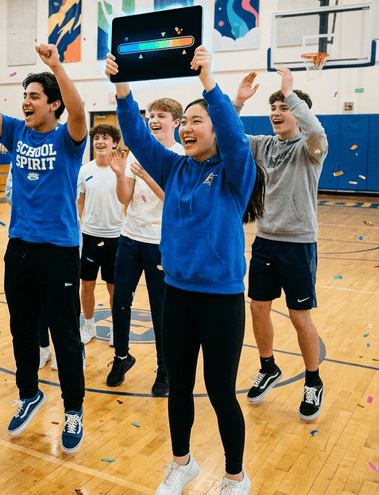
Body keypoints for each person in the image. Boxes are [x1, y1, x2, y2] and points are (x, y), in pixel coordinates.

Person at [108, 47, 265, 495]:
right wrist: (122, 87)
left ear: (215, 128)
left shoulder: (237, 172)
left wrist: (208, 82)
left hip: (220, 299)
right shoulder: (174, 167)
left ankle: (235, 475)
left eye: (197, 121)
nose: (186, 127)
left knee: (219, 392)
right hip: (176, 293)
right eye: (185, 122)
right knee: (178, 387)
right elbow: (138, 137)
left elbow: (235, 137)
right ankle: (183, 464)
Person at [0, 43, 88, 454]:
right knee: (22, 329)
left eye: (35, 96)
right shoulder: (17, 131)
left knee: (65, 333)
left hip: (59, 249)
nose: (27, 101)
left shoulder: (69, 138)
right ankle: (29, 393)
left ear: (53, 104)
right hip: (20, 248)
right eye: (25, 96)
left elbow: (80, 111)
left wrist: (56, 66)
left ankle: (73, 408)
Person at [233, 69, 327, 421]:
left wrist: (292, 95)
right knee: (258, 308)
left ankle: (313, 381)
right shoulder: (263, 144)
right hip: (265, 241)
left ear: (297, 112)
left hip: (298, 244)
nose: (276, 111)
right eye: (273, 106)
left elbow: (317, 131)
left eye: (283, 107)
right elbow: (228, 135)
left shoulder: (311, 147)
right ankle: (268, 366)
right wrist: (239, 101)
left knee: (298, 315)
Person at [107, 98, 184, 395]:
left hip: (159, 243)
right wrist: (119, 174)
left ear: (175, 122)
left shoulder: (178, 155)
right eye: (151, 115)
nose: (153, 119)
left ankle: (164, 367)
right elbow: (125, 199)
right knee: (120, 300)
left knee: (159, 308)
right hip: (129, 238)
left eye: (161, 115)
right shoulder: (137, 153)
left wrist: (148, 177)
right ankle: (121, 357)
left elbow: (173, 200)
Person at [76, 124, 124, 345]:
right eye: (96, 138)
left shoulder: (123, 168)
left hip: (116, 237)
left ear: (114, 142)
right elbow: (80, 202)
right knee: (87, 284)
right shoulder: (85, 170)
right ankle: (89, 326)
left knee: (114, 287)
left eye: (105, 137)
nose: (100, 141)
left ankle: (115, 328)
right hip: (90, 236)